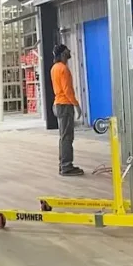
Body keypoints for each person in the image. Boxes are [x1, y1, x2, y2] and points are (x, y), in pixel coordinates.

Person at [50, 44, 83, 176]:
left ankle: (63, 165)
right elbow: (67, 90)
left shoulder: (54, 68)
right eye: (67, 50)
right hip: (65, 105)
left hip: (58, 104)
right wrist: (76, 105)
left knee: (63, 136)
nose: (69, 51)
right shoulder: (63, 69)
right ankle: (66, 166)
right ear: (63, 54)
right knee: (67, 137)